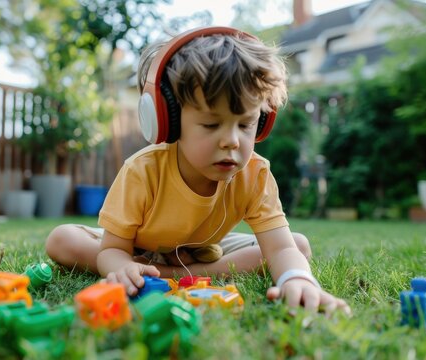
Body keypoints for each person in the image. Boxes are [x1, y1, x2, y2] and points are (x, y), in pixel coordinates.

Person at [46, 26, 350, 315]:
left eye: (245, 124)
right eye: (211, 124)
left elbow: (281, 247)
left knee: (297, 245)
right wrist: (121, 266)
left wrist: (298, 279)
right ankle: (163, 270)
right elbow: (112, 250)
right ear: (169, 120)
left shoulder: (255, 174)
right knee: (62, 240)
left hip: (205, 251)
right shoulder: (143, 171)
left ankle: (173, 274)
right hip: (141, 249)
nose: (231, 141)